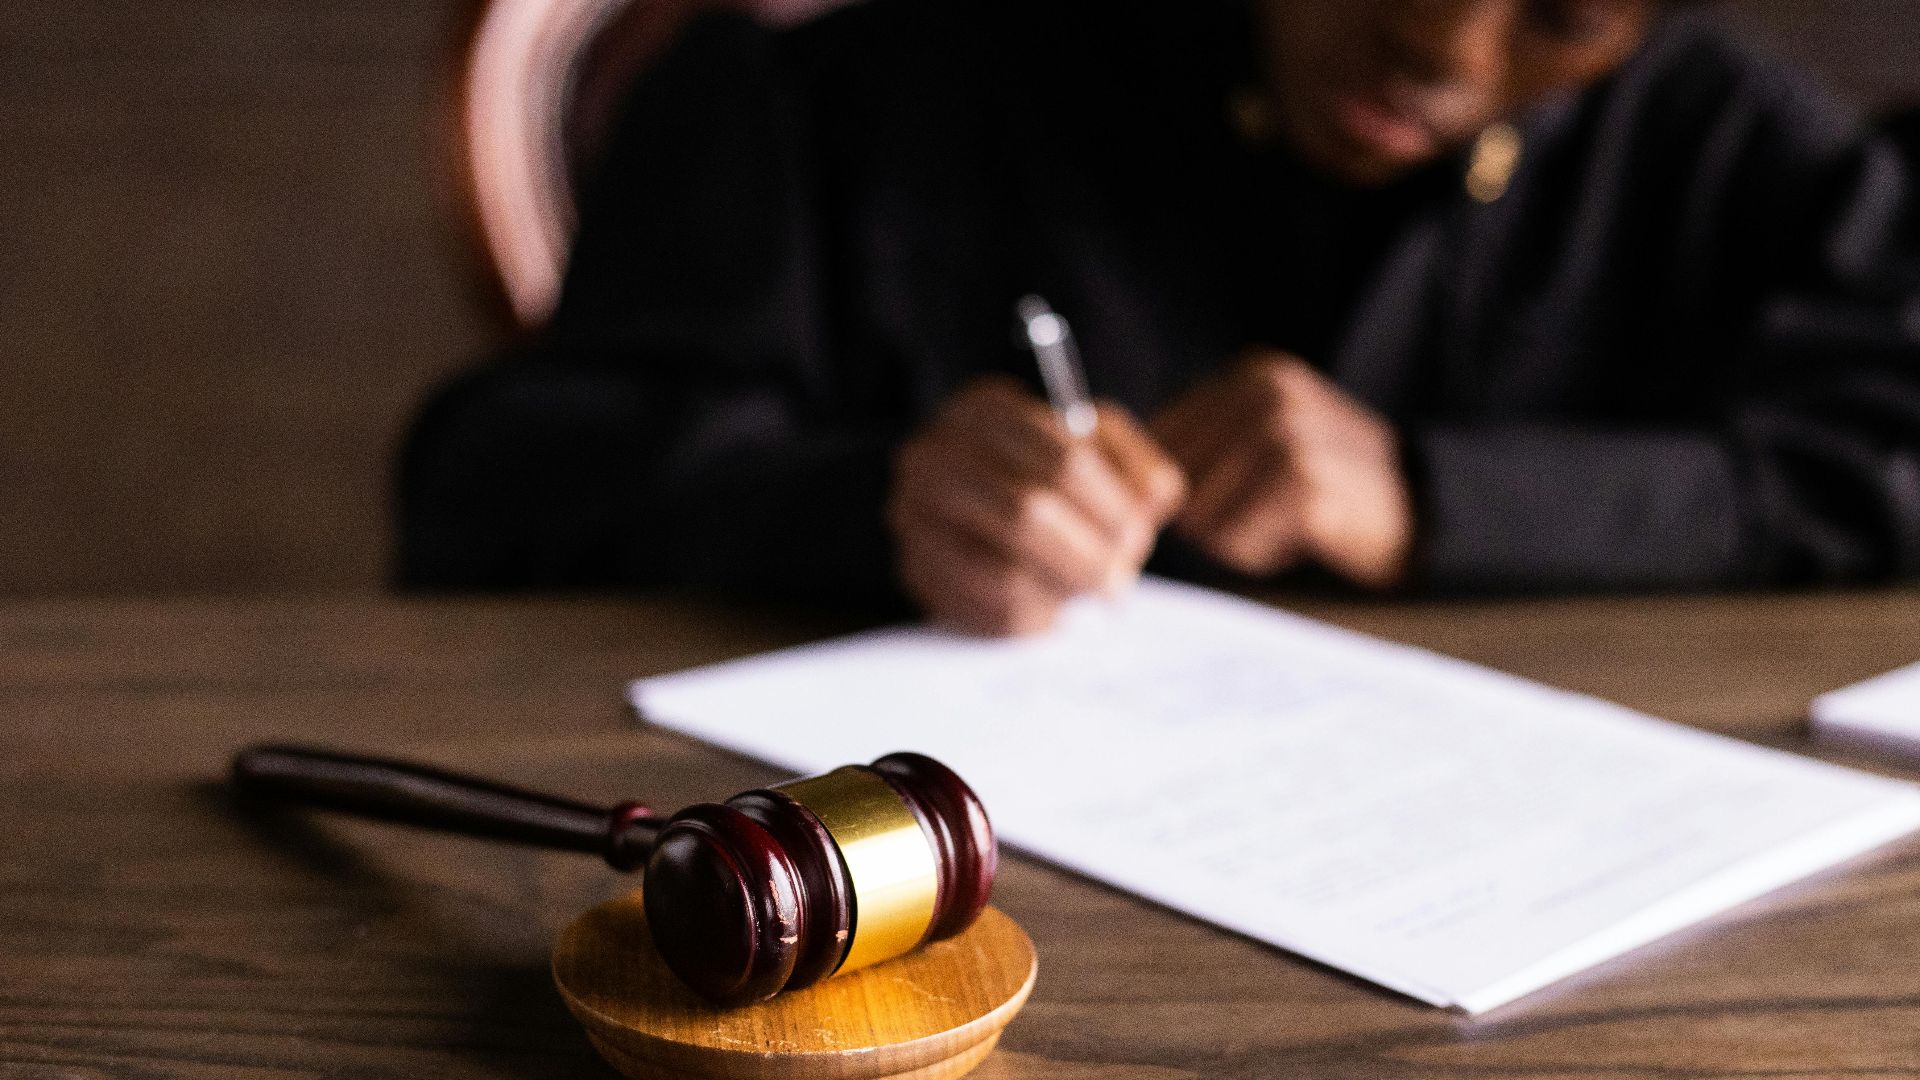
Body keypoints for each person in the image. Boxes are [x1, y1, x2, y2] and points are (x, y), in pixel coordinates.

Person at [400, 0, 1920, 635]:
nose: (1446, 48)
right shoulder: (856, 95)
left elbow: (1887, 462)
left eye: (1563, 14)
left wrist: (1440, 501)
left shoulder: (1716, 147)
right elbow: (491, 487)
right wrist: (871, 506)